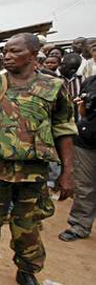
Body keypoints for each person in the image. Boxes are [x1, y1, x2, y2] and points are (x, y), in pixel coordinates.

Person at [0, 33, 77, 285]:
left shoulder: (53, 87)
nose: (7, 56)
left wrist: (67, 172)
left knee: (29, 225)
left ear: (33, 56)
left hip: (33, 172)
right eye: (6, 51)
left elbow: (64, 129)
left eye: (15, 51)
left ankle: (26, 270)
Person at [59, 75, 96, 242]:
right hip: (87, 141)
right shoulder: (91, 82)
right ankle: (79, 225)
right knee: (84, 186)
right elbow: (82, 109)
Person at [59, 53, 84, 122]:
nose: (73, 71)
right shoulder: (54, 78)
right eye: (70, 68)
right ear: (62, 65)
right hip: (61, 119)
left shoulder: (82, 78)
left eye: (75, 68)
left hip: (78, 118)